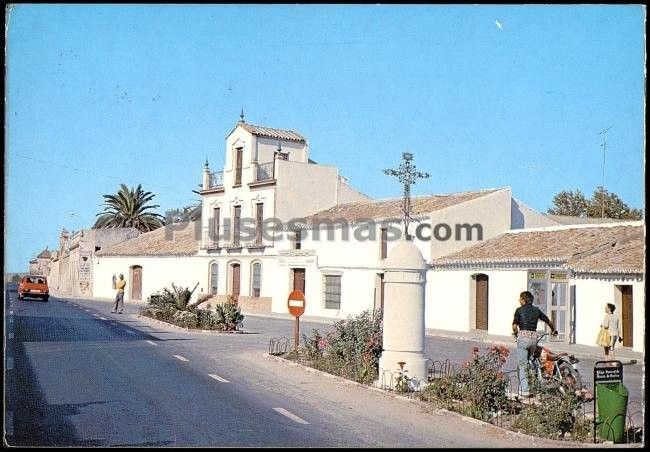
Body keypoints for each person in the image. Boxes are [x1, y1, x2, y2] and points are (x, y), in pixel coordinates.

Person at [512, 290, 557, 398]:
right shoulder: (536, 310)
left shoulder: (519, 310)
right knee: (529, 360)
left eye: (520, 298)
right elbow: (548, 320)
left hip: (523, 338)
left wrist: (516, 334)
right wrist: (553, 329)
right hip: (533, 339)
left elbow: (514, 326)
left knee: (522, 365)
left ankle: (525, 390)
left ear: (523, 300)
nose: (519, 300)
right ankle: (535, 380)